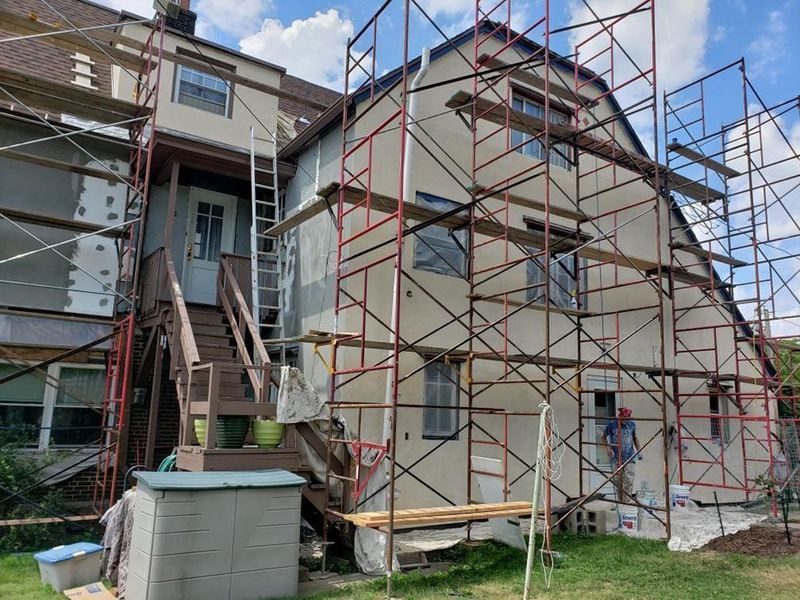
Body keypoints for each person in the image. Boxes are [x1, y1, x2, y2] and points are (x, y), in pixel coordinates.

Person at [601, 406, 641, 502]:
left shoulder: (632, 425)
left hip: (629, 457)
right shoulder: (611, 425)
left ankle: (626, 501)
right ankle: (620, 501)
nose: (625, 421)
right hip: (616, 458)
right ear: (620, 416)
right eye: (624, 418)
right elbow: (603, 437)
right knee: (617, 481)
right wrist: (608, 448)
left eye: (627, 418)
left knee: (628, 480)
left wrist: (639, 450)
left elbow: (635, 438)